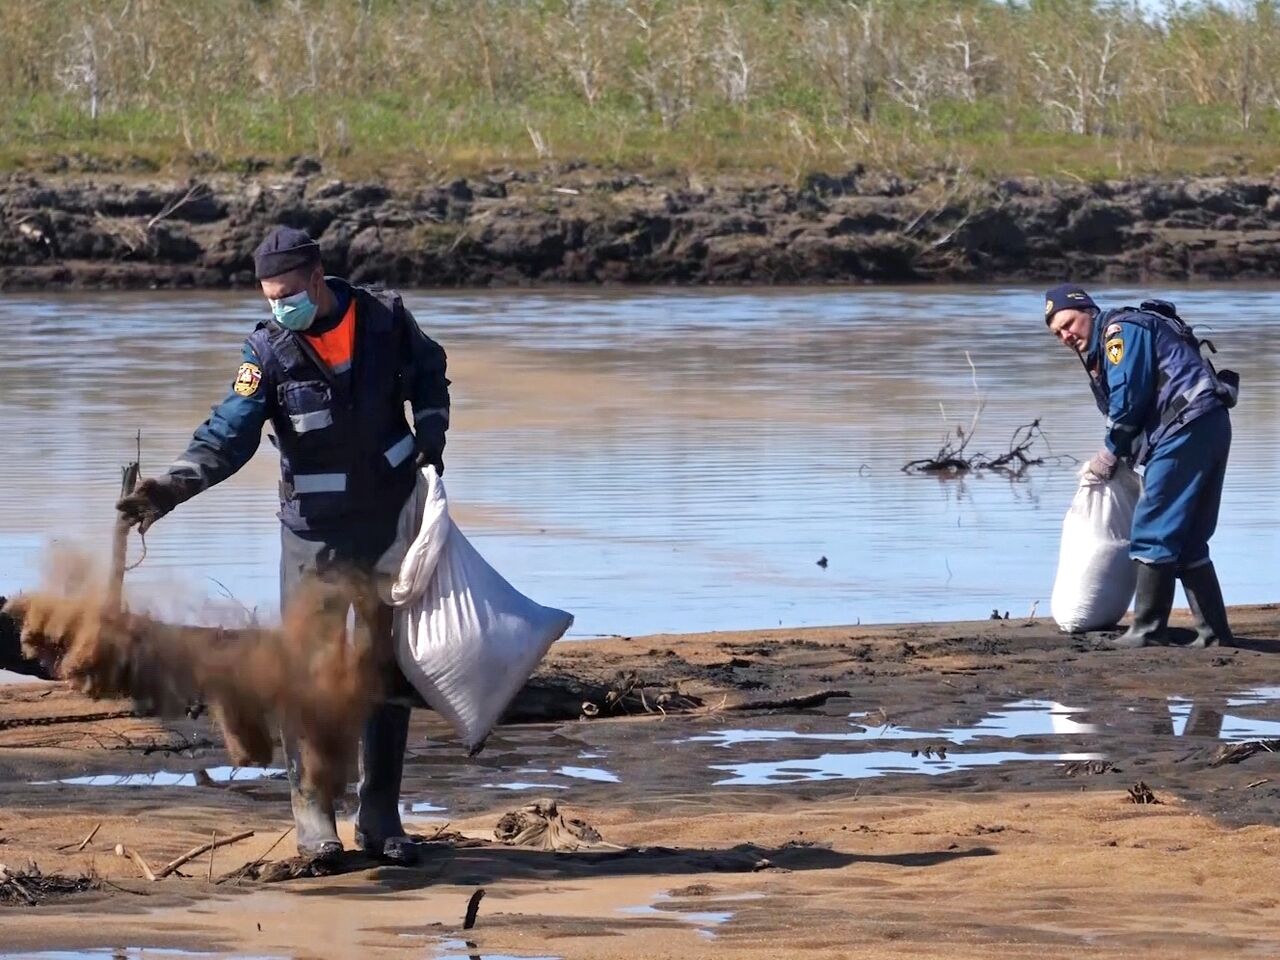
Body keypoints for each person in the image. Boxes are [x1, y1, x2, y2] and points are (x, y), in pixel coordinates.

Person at [117, 226, 450, 862]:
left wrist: (432, 432)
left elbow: (432, 370)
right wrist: (168, 490)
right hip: (313, 538)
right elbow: (229, 434)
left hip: (391, 523)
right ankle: (314, 818)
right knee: (313, 673)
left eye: (289, 294)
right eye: (271, 297)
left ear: (317, 278)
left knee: (385, 668)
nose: (280, 307)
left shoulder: (385, 320)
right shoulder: (267, 353)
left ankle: (381, 816)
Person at [1044, 284, 1236, 650]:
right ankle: (1215, 635)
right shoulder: (1120, 334)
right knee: (1191, 537)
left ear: (1088, 310)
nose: (1066, 335)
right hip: (1207, 424)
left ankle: (1147, 629)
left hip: (1185, 428)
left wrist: (1109, 454)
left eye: (1069, 323)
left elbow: (1129, 398)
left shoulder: (1119, 332)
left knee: (1152, 528)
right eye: (1057, 333)